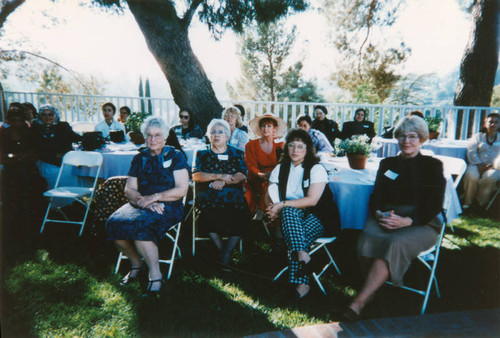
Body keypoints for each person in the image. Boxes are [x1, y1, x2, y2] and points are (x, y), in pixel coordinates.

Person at [344, 115, 446, 320]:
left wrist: (409, 221)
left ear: (422, 139)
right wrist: (380, 214)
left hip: (421, 222)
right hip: (387, 216)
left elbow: (434, 204)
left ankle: (359, 301)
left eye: (412, 137)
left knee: (394, 243)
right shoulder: (387, 163)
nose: (406, 141)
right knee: (367, 237)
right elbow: (376, 196)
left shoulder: (432, 166)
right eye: (402, 136)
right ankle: (371, 290)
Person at [106, 116, 190, 297]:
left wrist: (154, 198)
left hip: (168, 204)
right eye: (149, 135)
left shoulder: (175, 156)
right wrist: (142, 201)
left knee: (141, 226)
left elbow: (182, 189)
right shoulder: (139, 158)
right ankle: (136, 263)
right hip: (140, 202)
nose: (153, 139)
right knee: (113, 223)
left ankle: (156, 275)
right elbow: (130, 189)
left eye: (158, 135)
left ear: (166, 137)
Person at [266, 128, 329, 299]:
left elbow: (312, 201)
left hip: (318, 217)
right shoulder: (281, 168)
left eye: (300, 147)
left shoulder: (316, 169)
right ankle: (304, 266)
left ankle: (300, 275)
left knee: (288, 212)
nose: (295, 150)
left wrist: (282, 205)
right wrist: (272, 209)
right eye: (292, 146)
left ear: (308, 149)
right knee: (289, 215)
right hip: (290, 218)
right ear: (286, 148)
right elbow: (269, 194)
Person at [192, 119, 250, 268]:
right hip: (207, 192)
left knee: (240, 208)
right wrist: (217, 176)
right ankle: (223, 251)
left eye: (220, 132)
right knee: (206, 207)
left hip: (232, 192)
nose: (216, 135)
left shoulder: (236, 153)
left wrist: (225, 182)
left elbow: (242, 174)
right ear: (208, 135)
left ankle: (226, 252)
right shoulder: (202, 153)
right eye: (213, 132)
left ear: (227, 136)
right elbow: (196, 175)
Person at [0, 104, 46, 250]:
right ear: (8, 120)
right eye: (12, 120)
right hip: (10, 172)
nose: (16, 123)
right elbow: (2, 157)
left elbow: (35, 153)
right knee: (10, 200)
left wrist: (18, 157)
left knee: (31, 199)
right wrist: (15, 157)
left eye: (19, 119)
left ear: (23, 119)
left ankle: (31, 233)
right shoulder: (3, 135)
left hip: (28, 172)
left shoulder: (31, 133)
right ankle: (12, 233)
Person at [244, 113, 286, 214]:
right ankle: (264, 215)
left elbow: (283, 165)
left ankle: (268, 216)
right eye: (263, 126)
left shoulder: (281, 145)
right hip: (256, 178)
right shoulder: (251, 145)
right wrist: (261, 175)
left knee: (272, 187)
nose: (265, 129)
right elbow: (250, 165)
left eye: (269, 126)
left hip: (276, 178)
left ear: (274, 129)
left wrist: (273, 176)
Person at [31, 105, 82, 188]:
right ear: (40, 116)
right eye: (44, 115)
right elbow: (36, 150)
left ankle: (72, 199)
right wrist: (55, 155)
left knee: (71, 170)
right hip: (47, 162)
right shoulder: (35, 129)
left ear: (55, 115)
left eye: (50, 114)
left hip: (65, 161)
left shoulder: (63, 126)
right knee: (52, 172)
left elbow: (76, 138)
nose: (47, 117)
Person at [462, 112, 500, 211]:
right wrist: (479, 164)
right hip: (476, 164)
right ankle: (467, 202)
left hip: (494, 167)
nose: (493, 124)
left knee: (490, 177)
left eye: (496, 122)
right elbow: (471, 151)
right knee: (472, 175)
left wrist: (493, 165)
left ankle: (479, 203)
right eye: (490, 122)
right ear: (485, 123)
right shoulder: (478, 136)